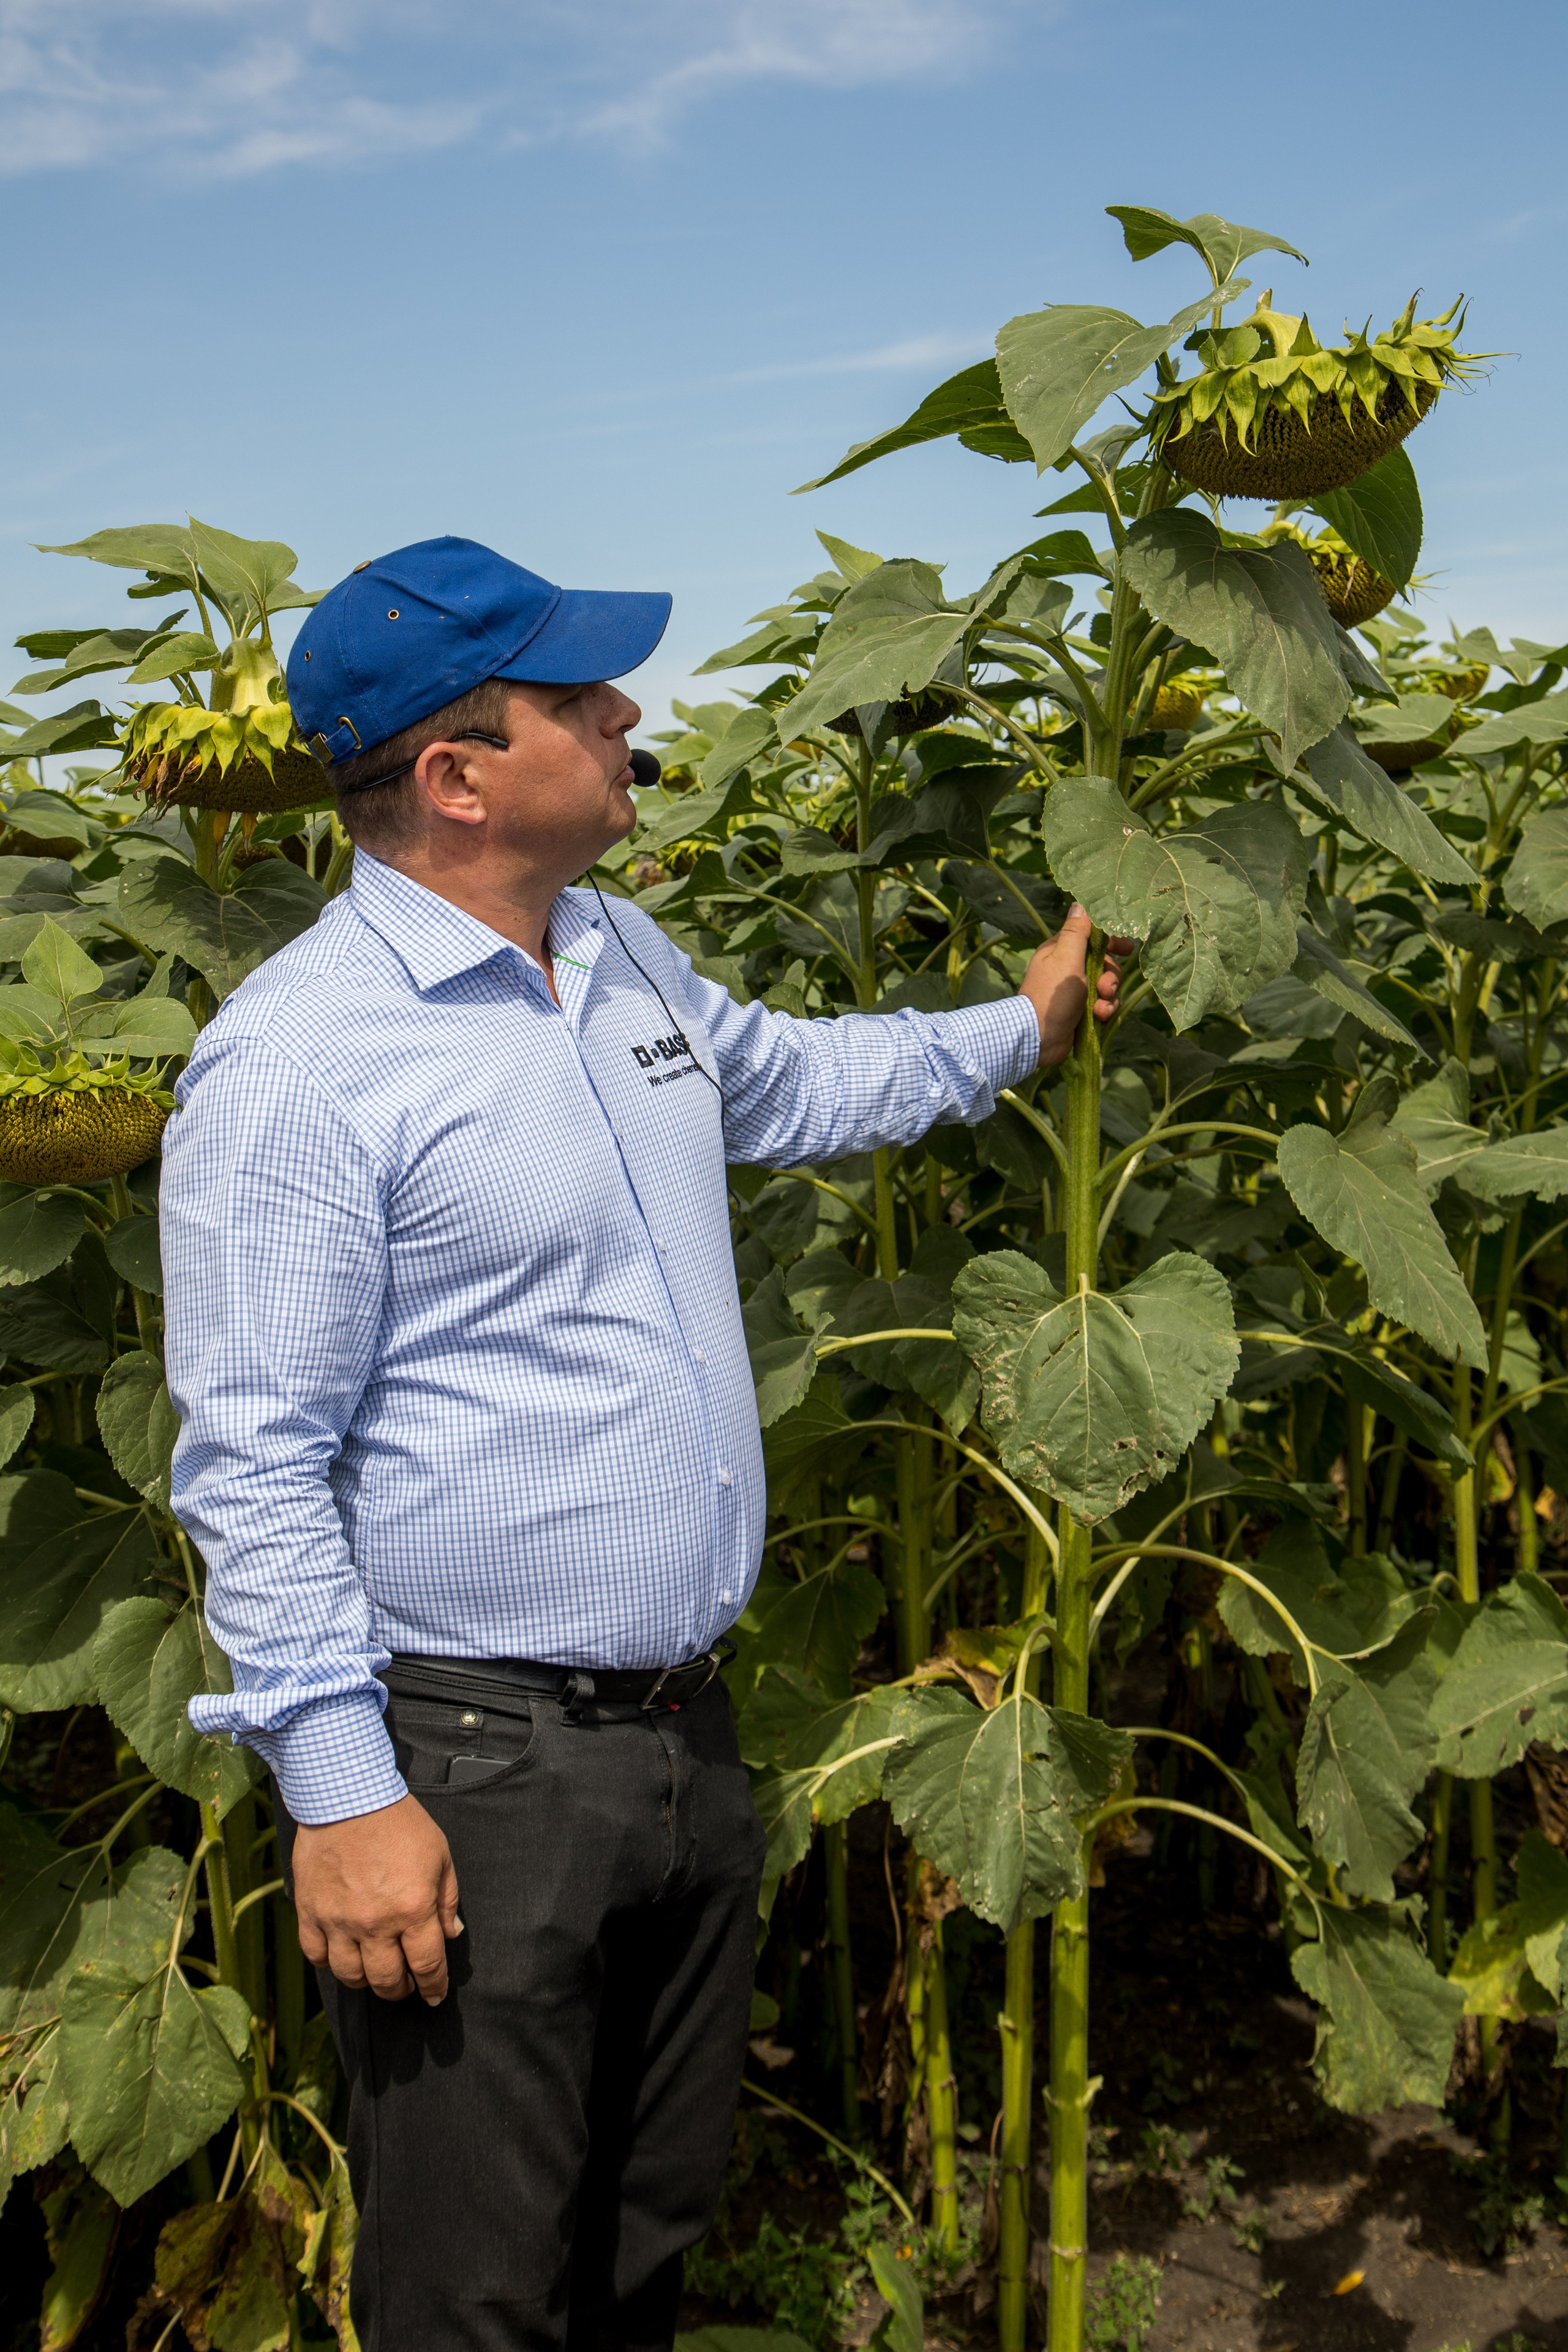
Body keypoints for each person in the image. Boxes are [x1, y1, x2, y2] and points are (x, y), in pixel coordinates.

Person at [162, 537, 1125, 2352]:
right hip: (473, 1771)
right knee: (478, 2296)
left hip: (684, 1739)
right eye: (576, 696)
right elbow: (256, 1463)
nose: (625, 716)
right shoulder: (297, 1064)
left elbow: (789, 1078)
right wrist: (344, 1792)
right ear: (459, 777)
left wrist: (1019, 1028)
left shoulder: (614, 954)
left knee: (638, 2249)